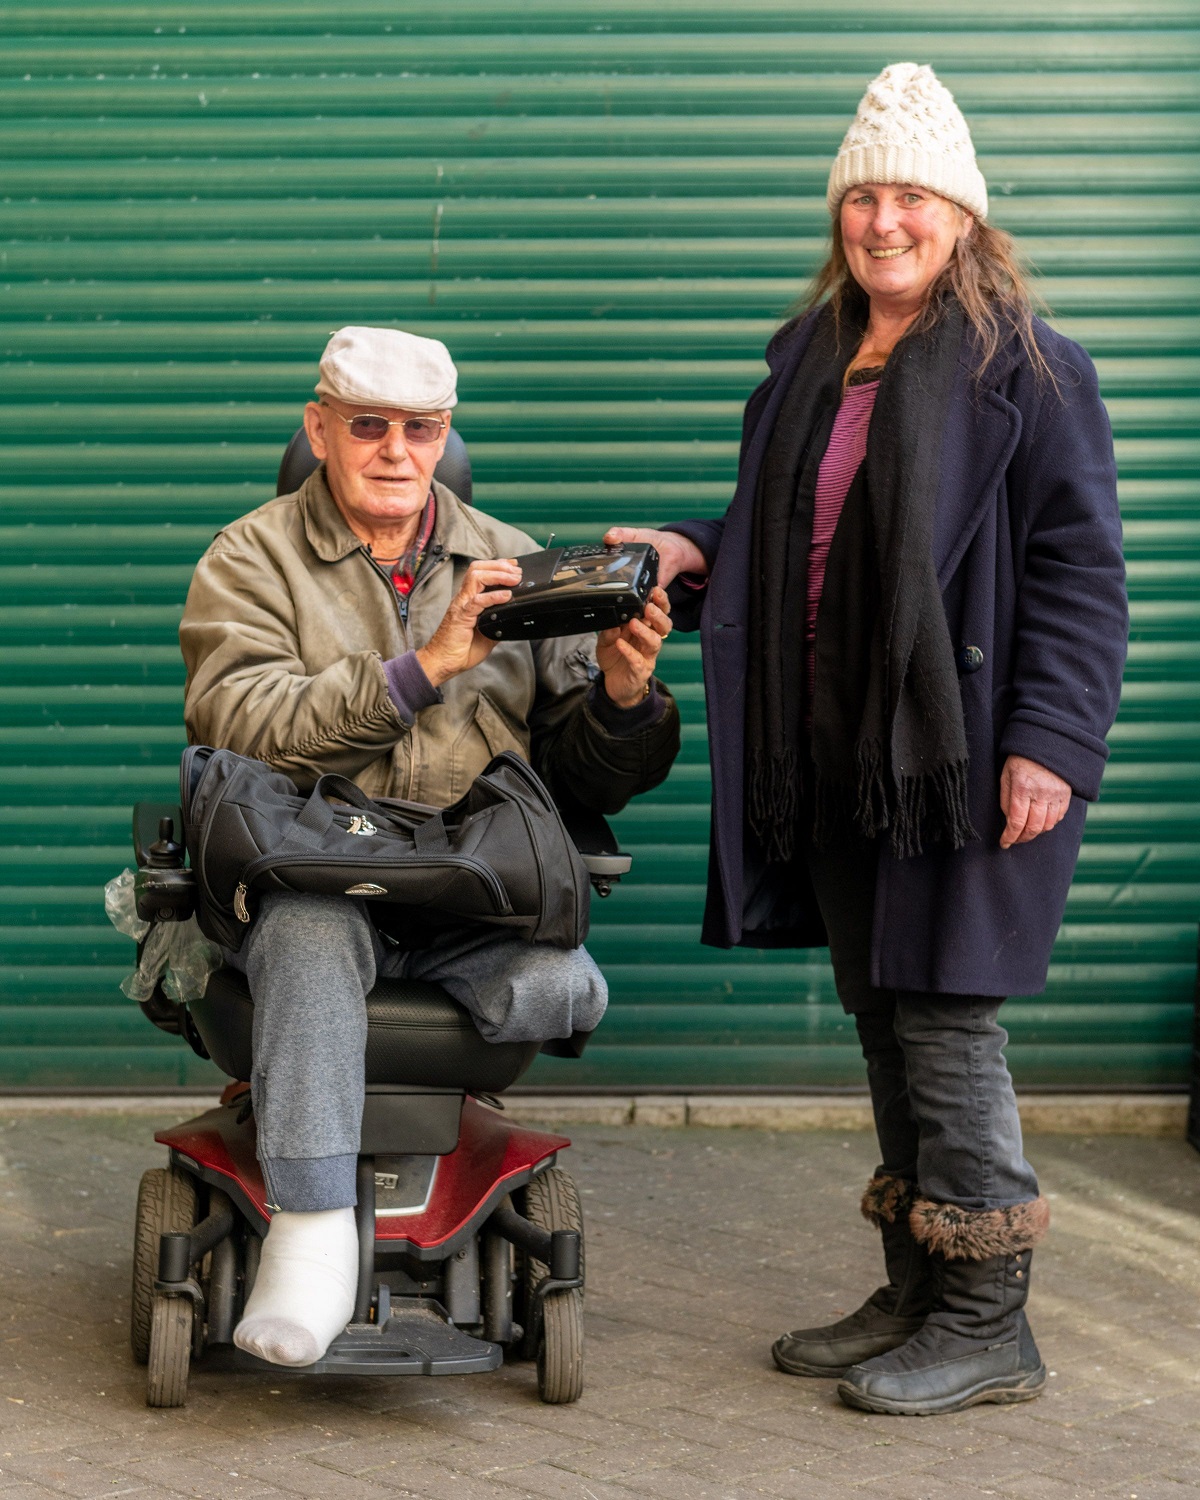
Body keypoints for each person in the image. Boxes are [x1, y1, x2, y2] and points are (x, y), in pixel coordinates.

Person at [606, 63, 1127, 1416]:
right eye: (864, 195)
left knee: (949, 1028)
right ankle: (915, 1288)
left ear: (964, 215)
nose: (883, 219)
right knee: (889, 1023)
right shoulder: (808, 367)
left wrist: (1054, 742)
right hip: (845, 748)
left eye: (912, 196)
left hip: (956, 751)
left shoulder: (1033, 371)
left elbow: (1081, 571)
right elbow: (803, 543)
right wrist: (691, 546)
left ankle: (987, 1319)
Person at [180, 325, 680, 1367]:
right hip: (314, 875)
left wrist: (626, 697)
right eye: (368, 425)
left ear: (447, 436)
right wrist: (426, 667)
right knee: (311, 937)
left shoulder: (514, 563)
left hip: (465, 890)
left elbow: (589, 780)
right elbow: (239, 715)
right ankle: (312, 1238)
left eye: (421, 428)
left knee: (559, 985)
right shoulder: (249, 557)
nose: (396, 450)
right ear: (320, 429)